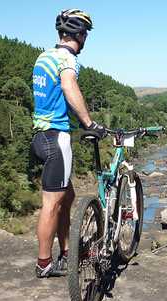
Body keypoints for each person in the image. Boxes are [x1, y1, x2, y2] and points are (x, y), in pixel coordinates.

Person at [30, 8, 106, 278]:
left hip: (39, 137)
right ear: (80, 35)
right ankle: (44, 263)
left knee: (68, 196)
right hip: (56, 137)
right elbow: (68, 86)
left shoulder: (45, 56)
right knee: (51, 203)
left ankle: (65, 251)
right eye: (85, 34)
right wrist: (89, 123)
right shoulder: (67, 59)